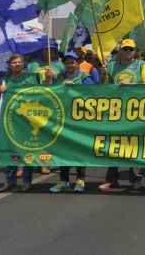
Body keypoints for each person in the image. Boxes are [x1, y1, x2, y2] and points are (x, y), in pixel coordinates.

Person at [99, 39, 145, 193]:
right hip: (115, 112)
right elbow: (102, 87)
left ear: (135, 52)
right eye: (125, 49)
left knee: (133, 145)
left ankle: (135, 179)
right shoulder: (111, 66)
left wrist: (130, 88)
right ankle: (111, 180)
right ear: (120, 51)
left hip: (135, 111)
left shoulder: (142, 65)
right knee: (113, 145)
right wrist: (102, 75)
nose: (128, 52)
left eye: (131, 49)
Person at [49, 52, 93, 193]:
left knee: (79, 150)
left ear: (77, 63)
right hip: (63, 119)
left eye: (72, 62)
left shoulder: (85, 77)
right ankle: (64, 181)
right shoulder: (59, 78)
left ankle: (80, 180)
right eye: (67, 62)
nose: (69, 65)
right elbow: (51, 94)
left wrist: (75, 88)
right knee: (63, 151)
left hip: (80, 120)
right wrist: (49, 80)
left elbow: (94, 93)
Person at [0, 54, 37, 192]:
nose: (17, 64)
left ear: (24, 64)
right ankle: (10, 181)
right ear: (9, 64)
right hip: (10, 121)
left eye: (20, 62)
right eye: (14, 62)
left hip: (27, 121)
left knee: (26, 151)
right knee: (10, 150)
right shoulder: (5, 80)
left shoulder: (30, 77)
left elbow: (40, 93)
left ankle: (26, 181)